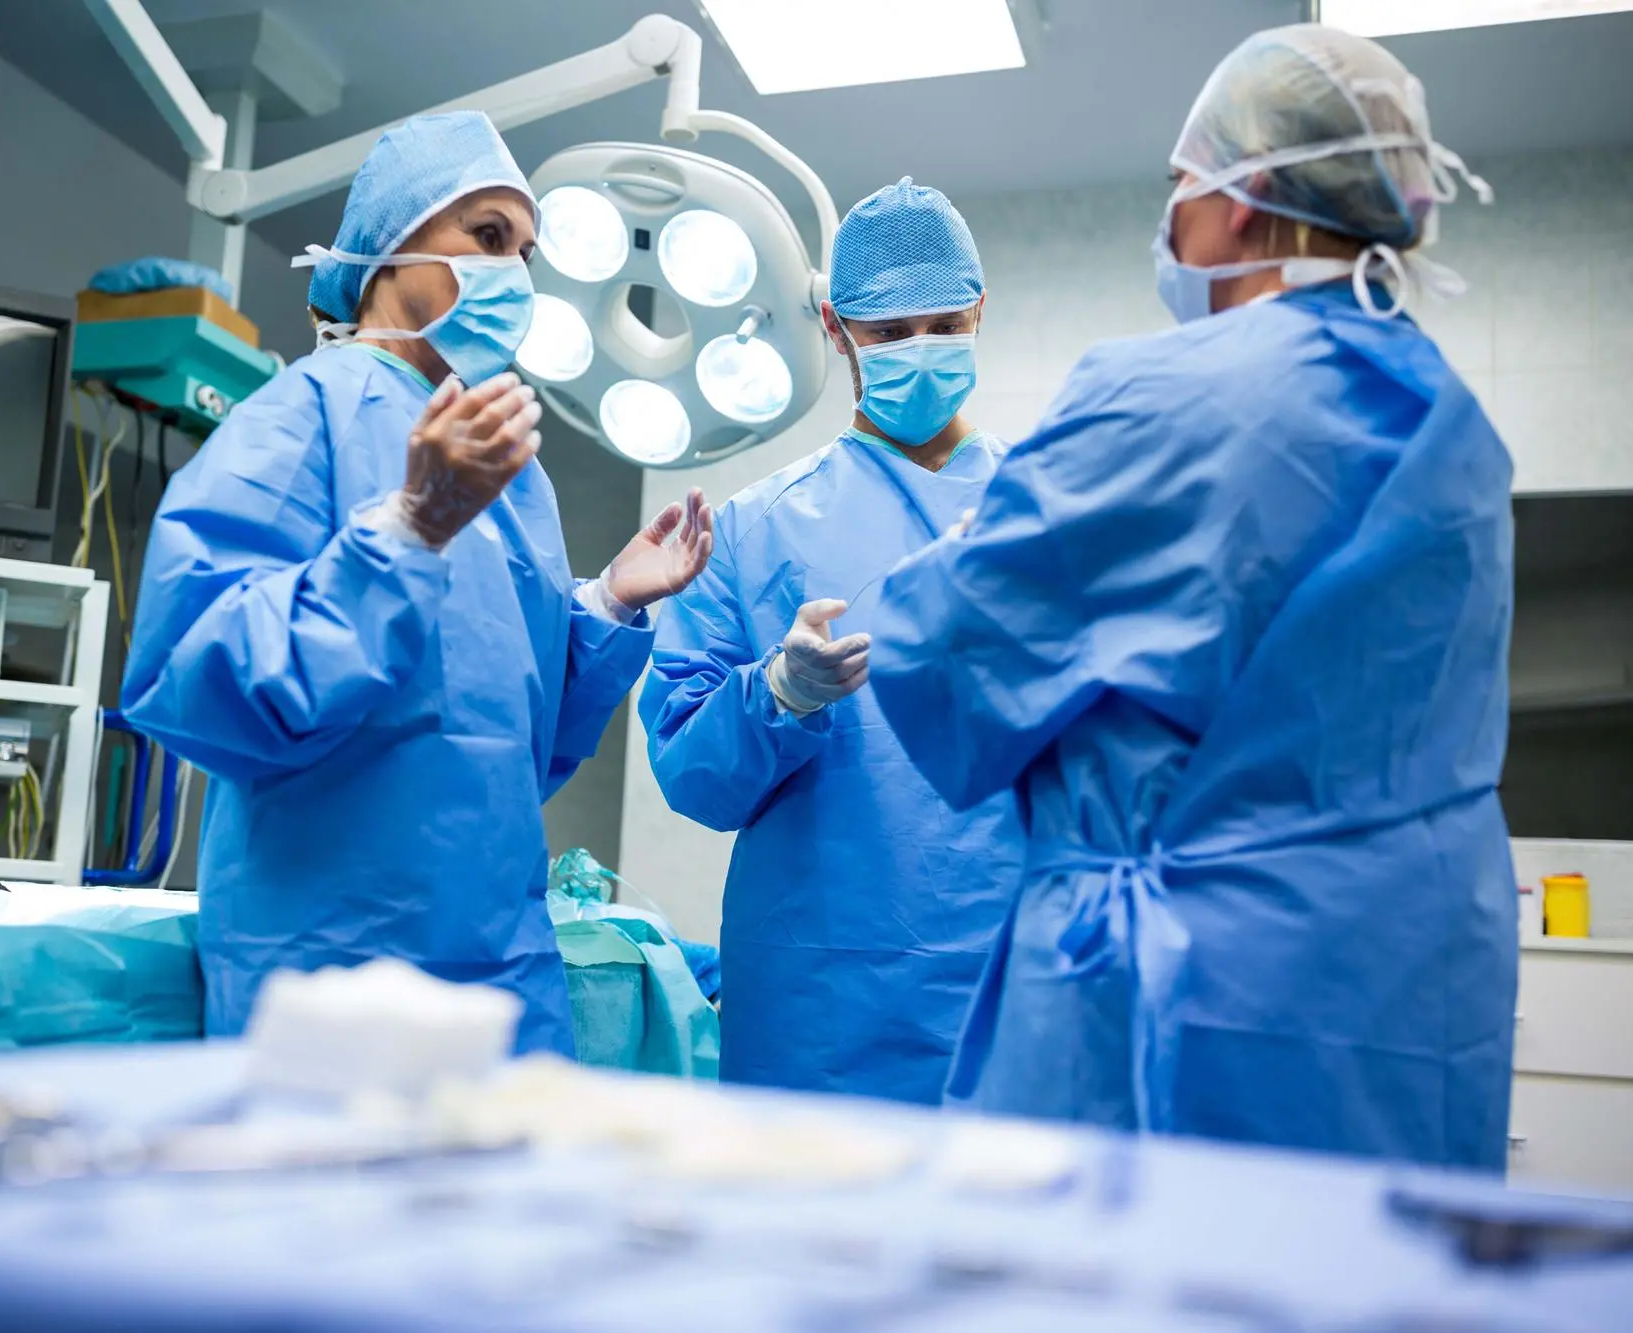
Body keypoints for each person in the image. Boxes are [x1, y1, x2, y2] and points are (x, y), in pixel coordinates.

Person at [868, 25, 1515, 1168]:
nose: (1169, 221)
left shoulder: (1160, 394)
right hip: (1405, 974)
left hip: (1189, 989)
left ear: (1247, 197)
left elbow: (942, 660)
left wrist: (971, 545)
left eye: (1181, 186)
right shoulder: (1456, 424)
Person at [122, 111, 713, 1050]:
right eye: (485, 237)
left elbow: (510, 741)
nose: (512, 274)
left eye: (524, 252)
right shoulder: (296, 417)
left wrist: (606, 605)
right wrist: (405, 530)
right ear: (392, 249)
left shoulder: (513, 480)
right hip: (326, 964)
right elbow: (200, 686)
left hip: (500, 964)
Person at [639, 179, 1023, 1105]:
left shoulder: (1044, 518)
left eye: (941, 324)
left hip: (1009, 979)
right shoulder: (753, 528)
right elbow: (694, 780)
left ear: (980, 309)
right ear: (835, 328)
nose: (917, 352)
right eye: (888, 335)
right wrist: (776, 695)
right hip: (818, 1005)